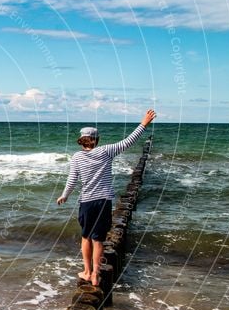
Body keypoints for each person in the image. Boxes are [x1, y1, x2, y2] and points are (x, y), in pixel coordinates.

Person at [56, 109, 156, 286]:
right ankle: (95, 274)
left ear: (81, 140)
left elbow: (72, 180)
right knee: (98, 239)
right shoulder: (106, 151)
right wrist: (144, 124)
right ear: (96, 139)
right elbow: (129, 141)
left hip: (86, 202)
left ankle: (86, 272)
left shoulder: (77, 157)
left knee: (86, 237)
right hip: (103, 201)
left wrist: (64, 195)